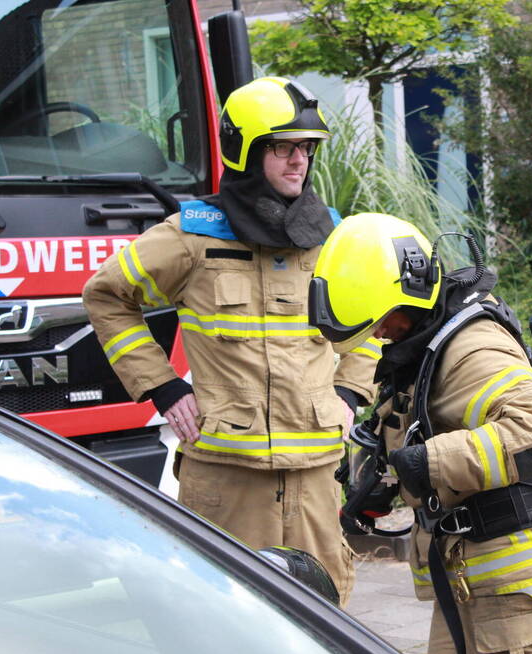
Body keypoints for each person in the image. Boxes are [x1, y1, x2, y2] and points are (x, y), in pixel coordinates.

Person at [83, 77, 379, 606]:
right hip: (225, 478)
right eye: (282, 147)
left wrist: (352, 392)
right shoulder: (192, 236)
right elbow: (107, 295)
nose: (298, 161)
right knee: (224, 616)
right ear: (245, 149)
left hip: (315, 478)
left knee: (326, 621)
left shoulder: (331, 237)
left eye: (306, 149)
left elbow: (373, 322)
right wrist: (164, 388)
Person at [308, 213, 532, 654]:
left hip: (514, 582)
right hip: (469, 573)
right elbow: (424, 424)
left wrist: (428, 463)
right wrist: (386, 479)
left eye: (382, 322)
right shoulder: (428, 343)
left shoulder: (472, 347)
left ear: (409, 297)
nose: (379, 334)